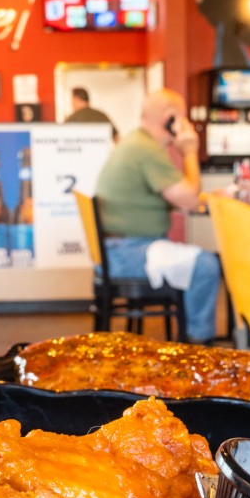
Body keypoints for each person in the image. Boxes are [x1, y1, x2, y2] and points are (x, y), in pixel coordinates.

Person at [94, 89, 220, 344]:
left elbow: (177, 197)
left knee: (196, 261)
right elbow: (190, 201)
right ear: (170, 118)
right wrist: (190, 152)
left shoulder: (136, 142)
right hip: (127, 253)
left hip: (118, 250)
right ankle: (199, 348)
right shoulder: (146, 150)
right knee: (206, 265)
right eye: (182, 117)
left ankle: (193, 339)